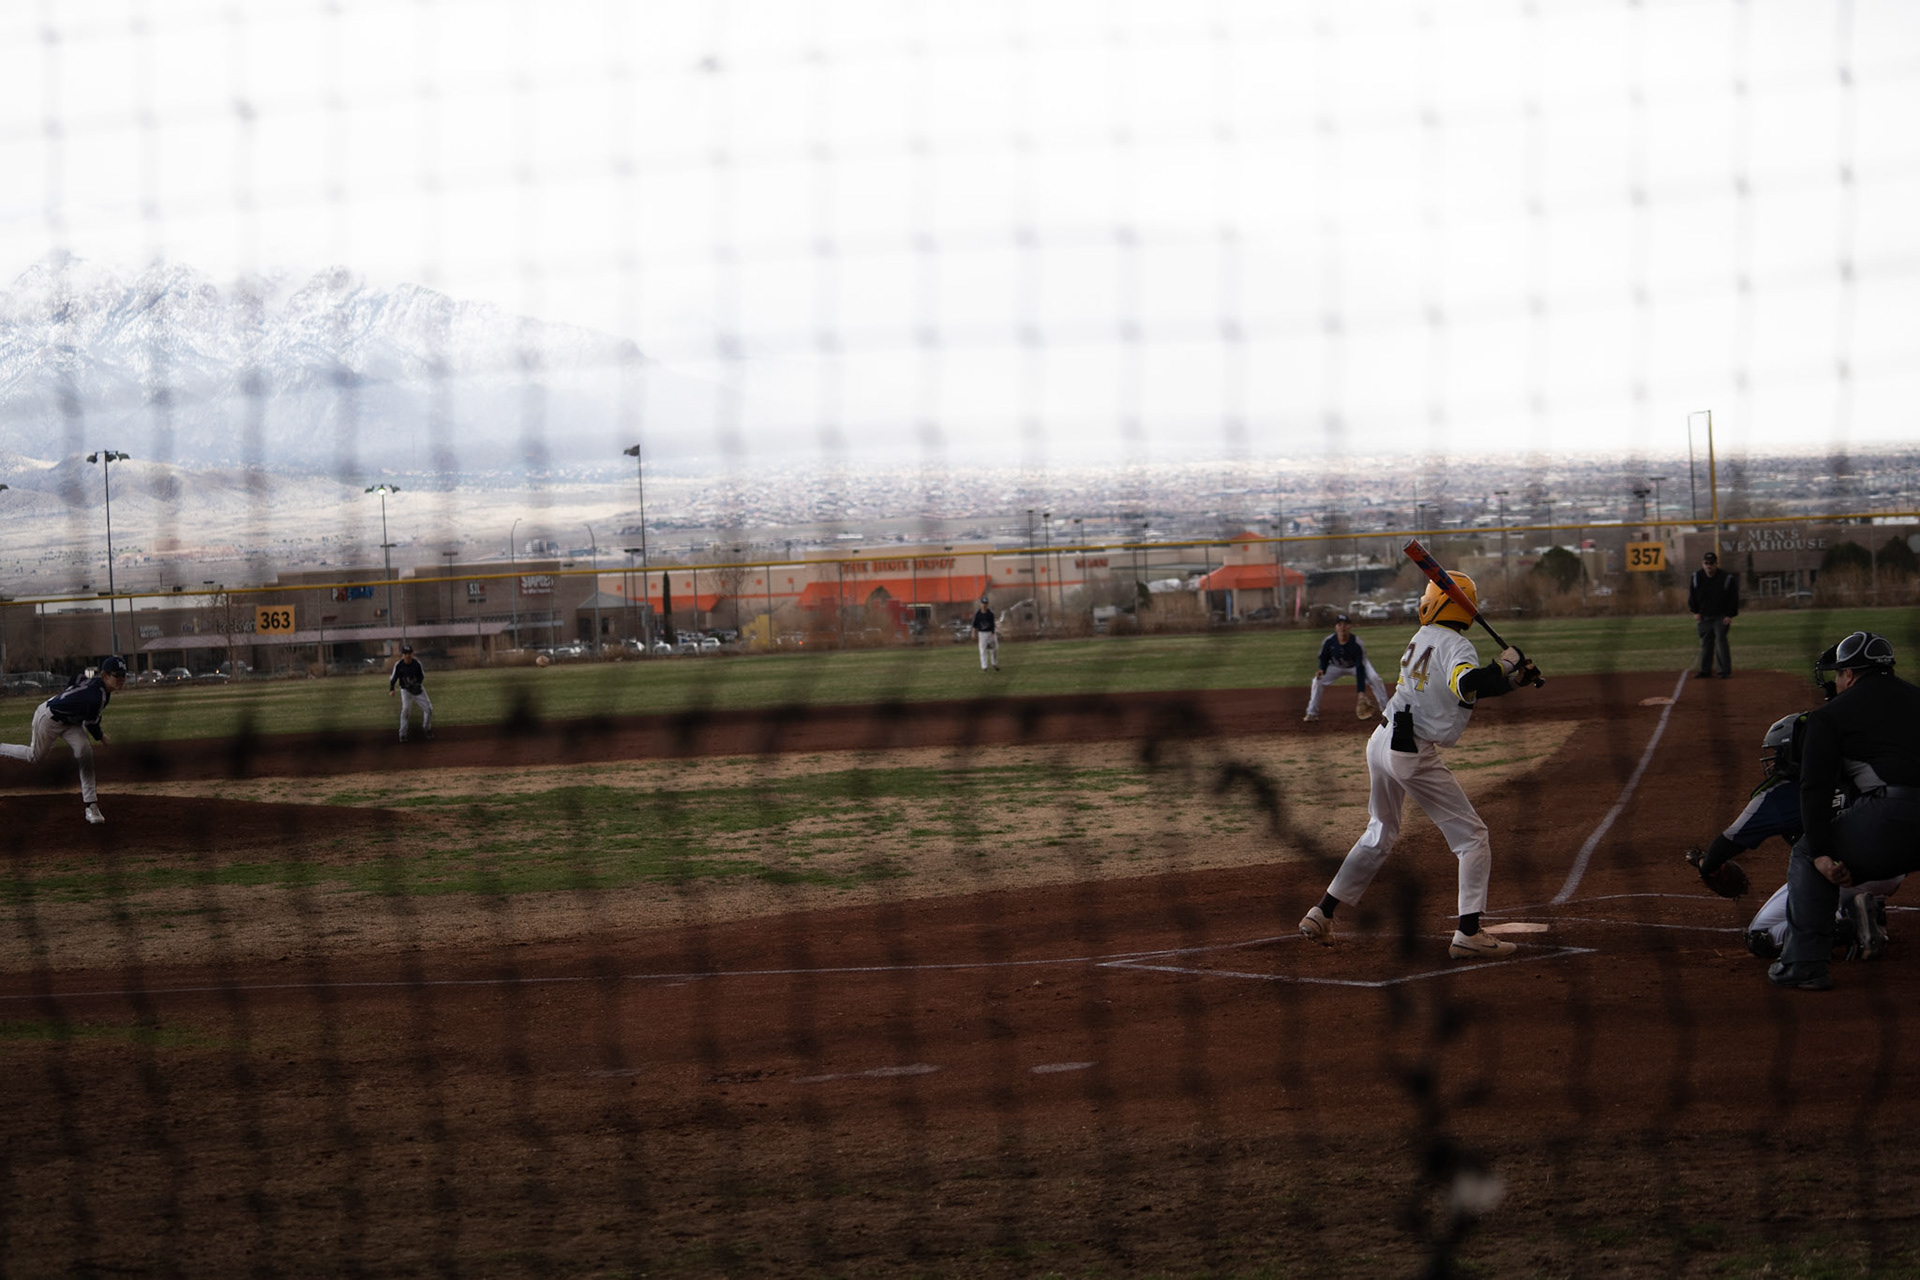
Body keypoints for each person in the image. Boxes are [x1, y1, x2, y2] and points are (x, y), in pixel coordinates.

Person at [1297, 573, 1543, 960]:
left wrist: (1512, 681)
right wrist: (1505, 663)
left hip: (1381, 740)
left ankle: (1322, 913)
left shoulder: (1424, 636)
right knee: (1472, 838)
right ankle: (1469, 933)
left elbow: (1461, 689)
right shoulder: (1457, 645)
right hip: (1410, 750)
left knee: (1379, 832)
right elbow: (1466, 684)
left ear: (1439, 603)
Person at [1767, 631, 1920, 991]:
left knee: (1807, 855)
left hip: (1894, 818)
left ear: (1849, 675)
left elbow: (1815, 789)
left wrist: (1823, 853)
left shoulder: (1828, 716)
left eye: (1838, 674)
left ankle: (1804, 965)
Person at [1687, 710, 1901, 960]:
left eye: (1780, 753)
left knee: (1762, 936)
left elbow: (1728, 843)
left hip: (1840, 874)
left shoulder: (1779, 795)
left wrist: (1706, 865)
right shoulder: (1861, 767)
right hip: (1893, 868)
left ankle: (1851, 925)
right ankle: (1872, 908)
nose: (1776, 760)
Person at [0, 655, 127, 824]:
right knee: (35, 756)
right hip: (49, 719)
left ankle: (91, 806)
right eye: (117, 675)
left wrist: (68, 696)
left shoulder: (101, 688)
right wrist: (101, 736)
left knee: (85, 753)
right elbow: (91, 723)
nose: (121, 679)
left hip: (71, 722)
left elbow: (76, 678)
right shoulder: (96, 696)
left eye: (123, 675)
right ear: (105, 675)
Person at [1303, 613, 1391, 722]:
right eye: (1339, 624)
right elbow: (1324, 658)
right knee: (1317, 681)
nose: (1342, 627)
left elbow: (1360, 668)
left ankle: (1386, 711)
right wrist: (1322, 669)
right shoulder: (1329, 641)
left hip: (1356, 666)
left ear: (1350, 626)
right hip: (1336, 666)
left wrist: (1361, 693)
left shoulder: (1357, 643)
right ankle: (1312, 713)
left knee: (1375, 678)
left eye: (1345, 624)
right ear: (1335, 627)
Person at [1687, 550, 1738, 679]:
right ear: (1702, 564)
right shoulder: (1696, 577)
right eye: (1706, 563)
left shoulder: (1726, 578)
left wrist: (1729, 615)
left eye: (1711, 563)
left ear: (1716, 564)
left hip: (1721, 616)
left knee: (1721, 641)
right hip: (1704, 616)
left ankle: (1724, 671)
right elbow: (1692, 595)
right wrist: (1695, 611)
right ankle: (1705, 670)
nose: (1709, 566)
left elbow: (1733, 598)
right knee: (1706, 643)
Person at [388, 643, 434, 741]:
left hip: (417, 689)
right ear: (402, 655)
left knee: (429, 709)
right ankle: (402, 734)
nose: (407, 655)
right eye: (405, 653)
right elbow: (393, 678)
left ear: (412, 654)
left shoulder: (417, 664)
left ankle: (427, 729)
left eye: (409, 653)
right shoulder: (399, 665)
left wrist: (417, 684)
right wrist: (392, 689)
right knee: (405, 710)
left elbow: (422, 676)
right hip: (405, 691)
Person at [970, 595, 1000, 672]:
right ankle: (984, 666)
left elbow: (993, 625)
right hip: (982, 634)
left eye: (986, 603)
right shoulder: (978, 614)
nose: (984, 605)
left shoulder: (990, 614)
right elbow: (974, 624)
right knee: (982, 650)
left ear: (987, 604)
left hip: (990, 633)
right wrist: (973, 633)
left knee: (994, 649)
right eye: (983, 603)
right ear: (981, 604)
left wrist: (993, 634)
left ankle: (994, 664)